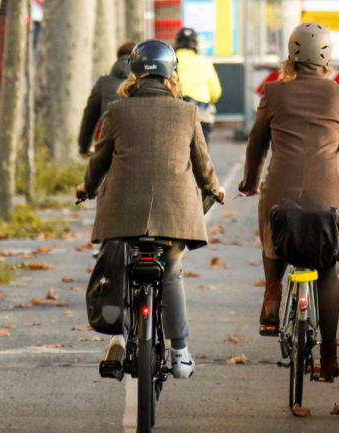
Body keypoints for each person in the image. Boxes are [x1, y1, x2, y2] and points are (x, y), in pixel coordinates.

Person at [76, 40, 226, 379]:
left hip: (123, 211)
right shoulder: (188, 111)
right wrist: (215, 189)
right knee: (171, 273)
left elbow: (99, 161)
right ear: (171, 74)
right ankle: (180, 352)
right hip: (174, 214)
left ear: (134, 72)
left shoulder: (116, 109)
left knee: (121, 268)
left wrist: (87, 187)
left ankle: (117, 338)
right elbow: (202, 165)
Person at [238, 23, 339, 383]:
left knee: (272, 237)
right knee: (326, 270)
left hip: (282, 193)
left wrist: (250, 183)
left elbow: (256, 143)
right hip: (329, 198)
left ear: (291, 54)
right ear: (327, 57)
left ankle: (273, 292)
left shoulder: (274, 92)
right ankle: (328, 354)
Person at [77, 41, 137, 158]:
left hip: (113, 146)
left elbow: (90, 115)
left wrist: (84, 146)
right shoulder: (148, 81)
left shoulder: (104, 83)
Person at [174, 28, 222, 143]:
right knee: (202, 147)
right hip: (201, 113)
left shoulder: (171, 61)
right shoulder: (204, 62)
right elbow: (215, 92)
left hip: (178, 112)